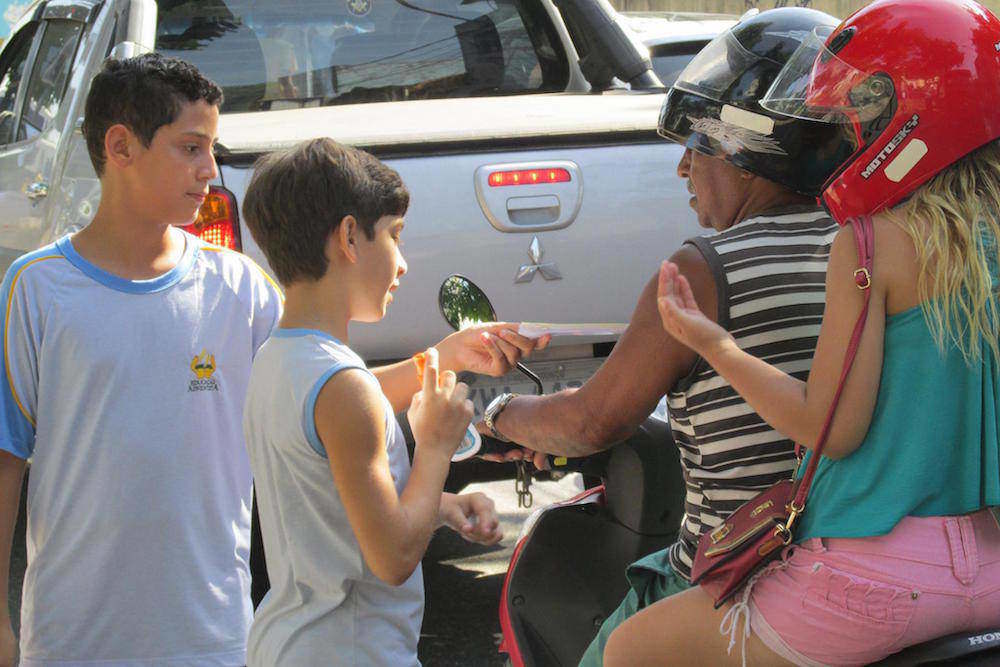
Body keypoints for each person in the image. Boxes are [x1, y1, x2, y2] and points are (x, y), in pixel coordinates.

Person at [604, 1, 1000, 664]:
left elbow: (829, 427)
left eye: (855, 121)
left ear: (904, 121)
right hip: (989, 571)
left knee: (630, 647)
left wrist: (711, 342)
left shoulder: (872, 245)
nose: (841, 138)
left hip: (867, 583)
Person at [480, 8, 849, 663]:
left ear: (748, 154)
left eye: (699, 145)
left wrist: (501, 415)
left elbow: (590, 422)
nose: (683, 168)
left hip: (732, 579)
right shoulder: (875, 247)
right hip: (856, 568)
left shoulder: (702, 271)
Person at [0, 54, 278, 666]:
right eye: (189, 147)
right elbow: (6, 460)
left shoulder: (241, 286)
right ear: (120, 147)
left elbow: (317, 406)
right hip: (74, 640)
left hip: (214, 639)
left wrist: (442, 386)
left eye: (212, 147)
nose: (210, 169)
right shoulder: (36, 288)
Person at [240, 137, 547, 665]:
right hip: (353, 650)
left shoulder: (280, 360)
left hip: (288, 642)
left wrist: (443, 505)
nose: (402, 263)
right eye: (394, 236)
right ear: (349, 238)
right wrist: (433, 449)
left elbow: (340, 442)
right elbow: (393, 558)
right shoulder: (341, 386)